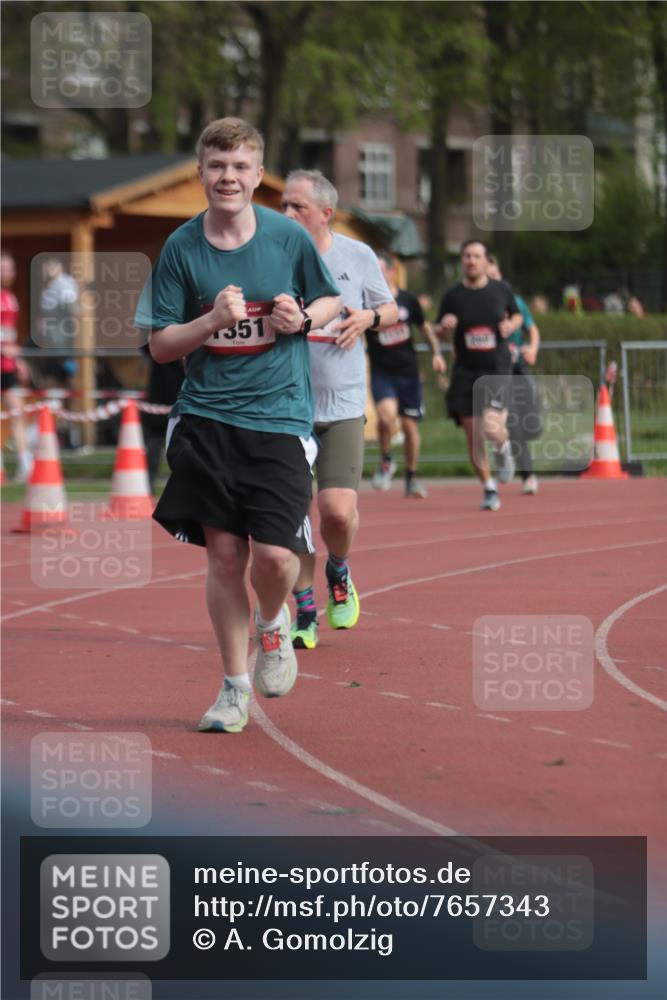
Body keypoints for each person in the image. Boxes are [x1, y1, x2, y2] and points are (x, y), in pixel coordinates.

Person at [135, 118, 341, 733]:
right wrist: (209, 322)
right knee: (225, 557)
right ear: (202, 173)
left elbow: (330, 300)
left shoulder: (287, 237)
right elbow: (160, 347)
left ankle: (273, 624)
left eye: (240, 166)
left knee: (275, 559)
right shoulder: (181, 247)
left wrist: (301, 316)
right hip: (207, 419)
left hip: (279, 419)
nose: (228, 177)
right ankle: (233, 687)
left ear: (257, 175)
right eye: (217, 166)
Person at [280, 169, 398, 650]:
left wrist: (370, 316)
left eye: (296, 207)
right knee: (291, 516)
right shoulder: (274, 254)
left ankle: (339, 570)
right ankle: (304, 609)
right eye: (283, 205)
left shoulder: (358, 255)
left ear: (325, 214)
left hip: (343, 403)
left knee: (335, 511)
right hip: (286, 404)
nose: (285, 214)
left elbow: (390, 310)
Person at [435, 239, 523, 511]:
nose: (471, 260)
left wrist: (511, 325)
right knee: (474, 437)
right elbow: (438, 330)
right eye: (467, 256)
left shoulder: (500, 291)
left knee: (492, 428)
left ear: (486, 261)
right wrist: (444, 328)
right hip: (465, 370)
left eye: (476, 256)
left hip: (496, 368)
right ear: (462, 261)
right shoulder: (452, 295)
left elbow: (518, 316)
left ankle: (503, 448)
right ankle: (488, 487)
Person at [368, 251, 446, 498]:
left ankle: (411, 476)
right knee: (386, 416)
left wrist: (436, 353)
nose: (376, 275)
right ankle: (387, 459)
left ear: (391, 272)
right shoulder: (365, 302)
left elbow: (425, 329)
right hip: (382, 372)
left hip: (408, 373)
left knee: (410, 426)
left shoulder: (408, 299)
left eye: (381, 270)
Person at [486, 257, 541, 495]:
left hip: (518, 368)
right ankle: (527, 475)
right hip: (499, 371)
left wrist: (533, 348)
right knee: (513, 423)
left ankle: (510, 448)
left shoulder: (515, 301)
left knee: (532, 422)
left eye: (495, 276)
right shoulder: (480, 305)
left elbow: (532, 328)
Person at [0, 251, 33, 483]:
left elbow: (10, 334)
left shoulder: (11, 298)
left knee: (18, 413)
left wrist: (19, 360)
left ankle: (24, 464)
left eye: (10, 269)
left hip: (8, 367)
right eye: (3, 269)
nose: (8, 273)